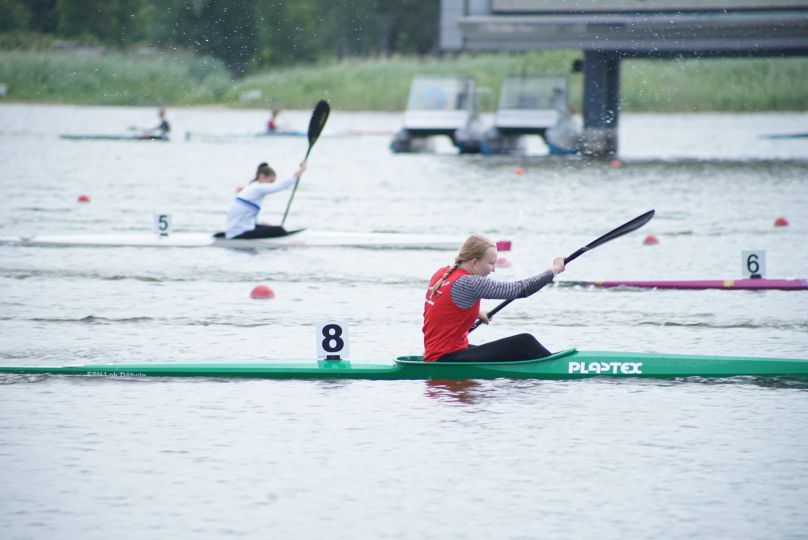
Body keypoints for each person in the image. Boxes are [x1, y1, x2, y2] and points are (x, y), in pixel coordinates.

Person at [422, 233, 565, 363]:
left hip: (437, 353)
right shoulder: (470, 282)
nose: (493, 269)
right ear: (474, 262)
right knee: (524, 342)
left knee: (513, 353)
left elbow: (442, 306)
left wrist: (475, 313)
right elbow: (521, 289)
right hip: (446, 358)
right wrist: (553, 271)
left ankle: (547, 363)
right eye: (491, 263)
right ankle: (558, 366)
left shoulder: (442, 273)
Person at [224, 160, 306, 239]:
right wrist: (301, 170)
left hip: (237, 231)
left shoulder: (252, 188)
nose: (270, 185)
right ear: (262, 176)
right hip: (238, 234)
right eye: (270, 182)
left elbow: (252, 221)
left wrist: (269, 226)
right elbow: (279, 186)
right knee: (279, 230)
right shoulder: (257, 188)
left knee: (276, 228)